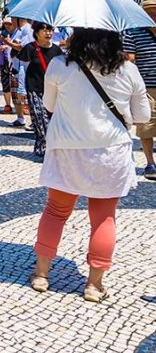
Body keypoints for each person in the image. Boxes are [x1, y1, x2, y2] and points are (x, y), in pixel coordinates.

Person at [30, 28, 152, 302]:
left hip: (67, 149)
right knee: (103, 218)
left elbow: (49, 105)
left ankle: (41, 274)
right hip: (109, 152)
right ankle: (94, 285)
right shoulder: (128, 70)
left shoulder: (60, 65)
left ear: (78, 37)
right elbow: (143, 115)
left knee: (56, 211)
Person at [18, 22, 64, 157]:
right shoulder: (30, 48)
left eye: (50, 30)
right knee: (40, 119)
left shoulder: (56, 50)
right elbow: (22, 68)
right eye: (44, 30)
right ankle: (45, 148)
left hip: (53, 89)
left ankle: (42, 145)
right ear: (36, 33)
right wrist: (21, 88)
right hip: (35, 88)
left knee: (53, 119)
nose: (48, 33)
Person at [123, 0, 156, 180]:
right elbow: (129, 59)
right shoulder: (133, 33)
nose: (153, 16)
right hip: (146, 87)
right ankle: (150, 162)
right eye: (150, 13)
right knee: (146, 126)